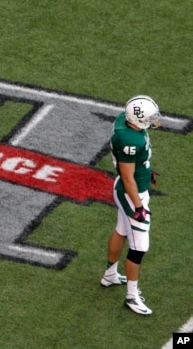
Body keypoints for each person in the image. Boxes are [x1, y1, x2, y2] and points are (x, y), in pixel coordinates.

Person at [100, 95, 161, 316]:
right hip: (131, 194)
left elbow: (132, 168)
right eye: (150, 116)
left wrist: (146, 170)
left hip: (130, 188)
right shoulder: (129, 141)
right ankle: (132, 297)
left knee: (121, 230)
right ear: (138, 118)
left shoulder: (125, 122)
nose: (154, 119)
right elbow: (127, 178)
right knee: (139, 247)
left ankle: (109, 275)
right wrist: (138, 207)